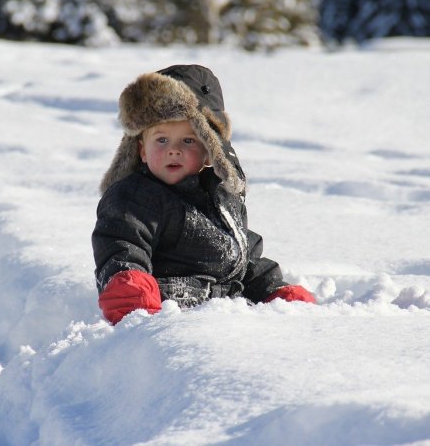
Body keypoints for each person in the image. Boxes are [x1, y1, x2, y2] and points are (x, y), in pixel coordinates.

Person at [92, 64, 316, 324]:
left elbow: (243, 263)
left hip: (226, 319)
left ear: (211, 149)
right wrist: (130, 291)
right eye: (161, 140)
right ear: (142, 150)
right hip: (169, 318)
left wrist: (274, 293)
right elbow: (122, 245)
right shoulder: (135, 197)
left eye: (188, 141)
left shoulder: (222, 198)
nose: (173, 150)